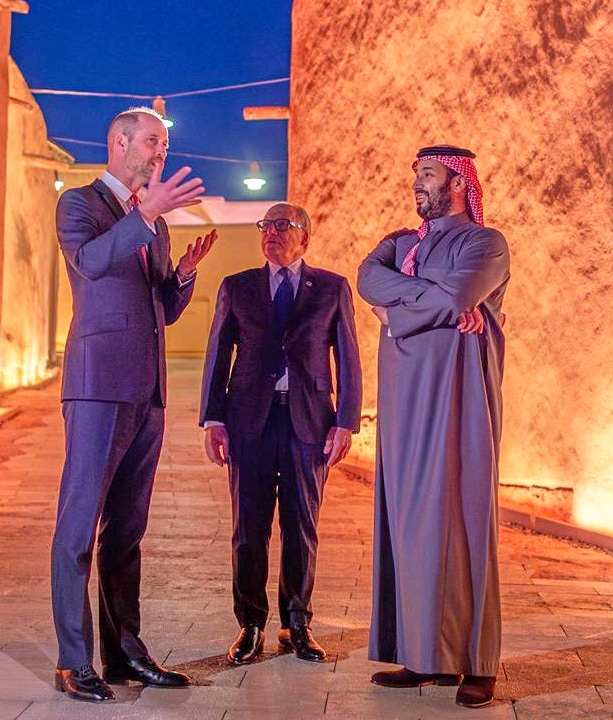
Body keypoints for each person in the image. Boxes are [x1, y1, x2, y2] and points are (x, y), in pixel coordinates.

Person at [51, 107, 217, 702]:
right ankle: (75, 661)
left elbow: (161, 310)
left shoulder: (156, 221)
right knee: (78, 527)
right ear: (119, 142)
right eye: (154, 141)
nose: (161, 152)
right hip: (97, 385)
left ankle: (124, 653)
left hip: (147, 392)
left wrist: (185, 278)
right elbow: (91, 265)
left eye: (165, 145)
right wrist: (146, 214)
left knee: (127, 531)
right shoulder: (80, 204)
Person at [356, 144, 509, 709]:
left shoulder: (484, 244)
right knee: (409, 516)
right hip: (403, 399)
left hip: (458, 396)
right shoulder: (398, 243)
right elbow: (368, 279)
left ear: (459, 183)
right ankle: (424, 656)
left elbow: (464, 294)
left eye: (428, 175)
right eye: (416, 174)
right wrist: (433, 301)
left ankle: (476, 664)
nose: (417, 184)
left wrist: (399, 310)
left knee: (463, 518)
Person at [200, 203, 362, 666]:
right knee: (248, 529)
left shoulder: (331, 288)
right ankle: (250, 626)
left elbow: (348, 358)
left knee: (301, 527)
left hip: (308, 422)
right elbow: (218, 356)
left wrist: (345, 421)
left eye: (282, 226)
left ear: (304, 237)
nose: (270, 233)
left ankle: (296, 624)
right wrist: (214, 420)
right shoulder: (238, 287)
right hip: (249, 421)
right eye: (265, 226)